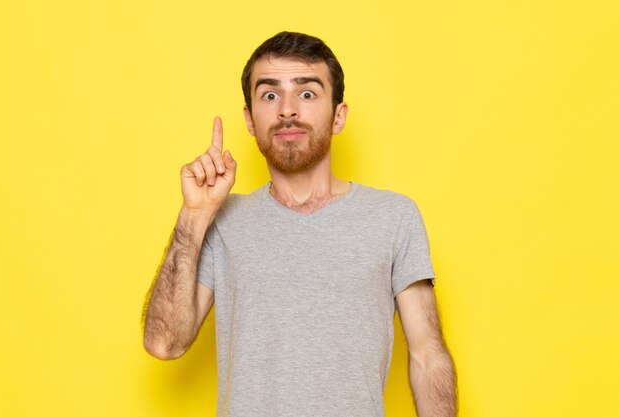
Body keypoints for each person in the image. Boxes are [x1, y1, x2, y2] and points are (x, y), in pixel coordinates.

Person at [143, 31, 457, 417]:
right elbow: (163, 343)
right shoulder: (221, 220)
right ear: (250, 119)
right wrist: (194, 215)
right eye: (270, 95)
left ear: (338, 116)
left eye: (307, 93)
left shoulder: (393, 217)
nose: (287, 110)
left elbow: (428, 356)